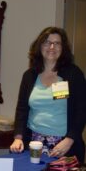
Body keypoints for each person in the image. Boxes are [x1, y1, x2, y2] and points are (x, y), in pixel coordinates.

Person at [10, 26, 86, 163]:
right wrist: (18, 137)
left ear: (63, 48)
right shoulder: (29, 76)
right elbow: (21, 109)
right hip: (33, 144)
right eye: (47, 42)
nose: (52, 47)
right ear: (39, 46)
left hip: (63, 144)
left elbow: (82, 110)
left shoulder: (74, 74)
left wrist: (69, 140)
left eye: (57, 43)